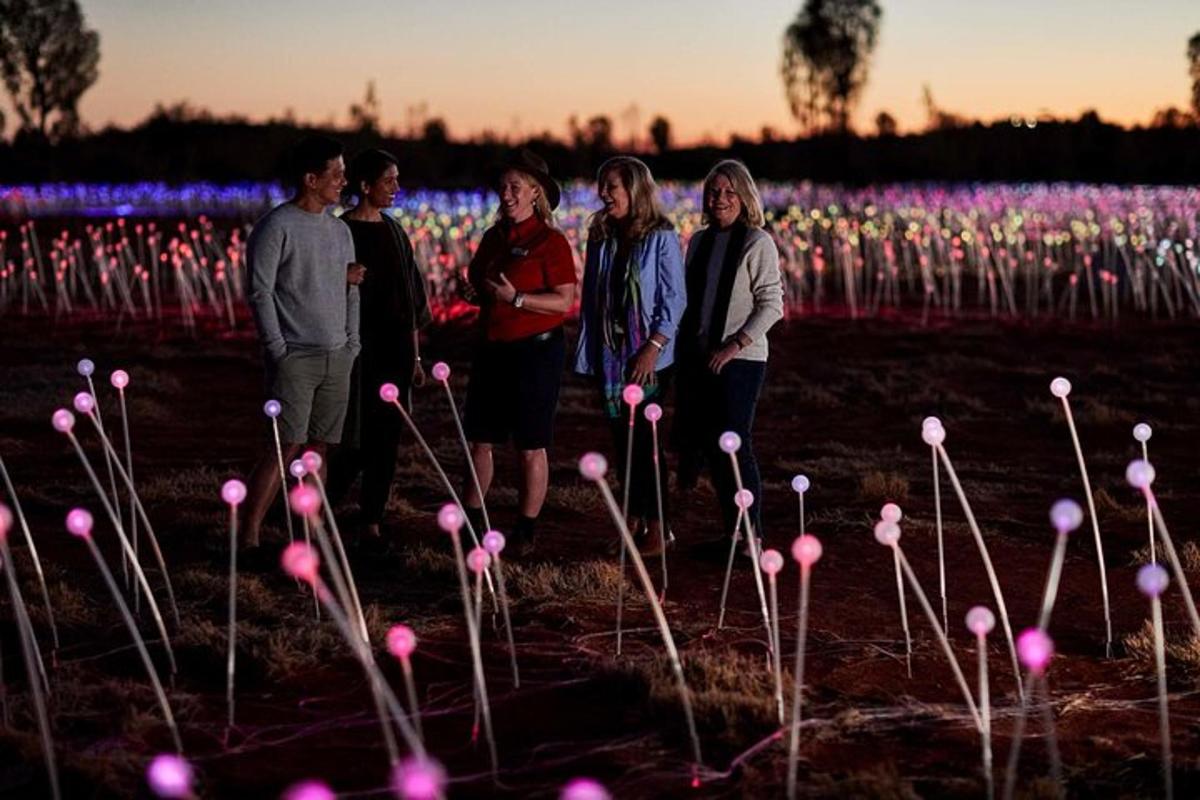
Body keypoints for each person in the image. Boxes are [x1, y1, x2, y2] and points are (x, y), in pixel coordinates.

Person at [240, 135, 361, 557]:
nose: (344, 181)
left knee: (319, 447)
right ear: (311, 179)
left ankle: (312, 531)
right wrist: (278, 348)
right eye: (336, 174)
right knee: (284, 445)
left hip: (337, 353)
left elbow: (349, 288)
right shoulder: (277, 227)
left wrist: (352, 342)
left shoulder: (340, 231)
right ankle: (250, 533)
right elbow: (260, 292)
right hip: (295, 355)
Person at [460, 149, 576, 551]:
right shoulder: (494, 237)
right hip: (492, 348)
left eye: (514, 187)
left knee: (530, 444)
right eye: (502, 187)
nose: (505, 194)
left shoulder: (551, 242)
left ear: (534, 193)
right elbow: (482, 282)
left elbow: (563, 302)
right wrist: (474, 293)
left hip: (535, 353)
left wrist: (517, 299)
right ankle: (472, 521)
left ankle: (526, 530)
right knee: (480, 439)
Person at [572, 156, 685, 555]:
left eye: (612, 187)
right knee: (623, 444)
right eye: (601, 186)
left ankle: (658, 527)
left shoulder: (661, 236)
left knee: (646, 445)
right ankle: (632, 521)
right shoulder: (602, 236)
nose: (603, 194)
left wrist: (652, 349)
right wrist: (591, 354)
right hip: (612, 356)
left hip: (649, 357)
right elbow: (592, 300)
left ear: (634, 190)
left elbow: (674, 300)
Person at [673, 160, 783, 543]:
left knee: (734, 441)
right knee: (713, 447)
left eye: (729, 192)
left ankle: (751, 535)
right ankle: (732, 533)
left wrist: (734, 344)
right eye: (714, 191)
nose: (720, 199)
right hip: (702, 357)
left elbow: (771, 304)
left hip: (741, 360)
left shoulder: (757, 242)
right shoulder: (700, 242)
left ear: (744, 196)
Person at [326, 149, 432, 540]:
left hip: (395, 349)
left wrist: (415, 355)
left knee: (387, 436)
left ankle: (372, 517)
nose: (396, 188)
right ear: (365, 186)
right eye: (388, 181)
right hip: (356, 349)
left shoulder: (394, 231)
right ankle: (319, 507)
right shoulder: (341, 232)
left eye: (398, 180)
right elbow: (323, 287)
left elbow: (410, 298)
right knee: (352, 437)